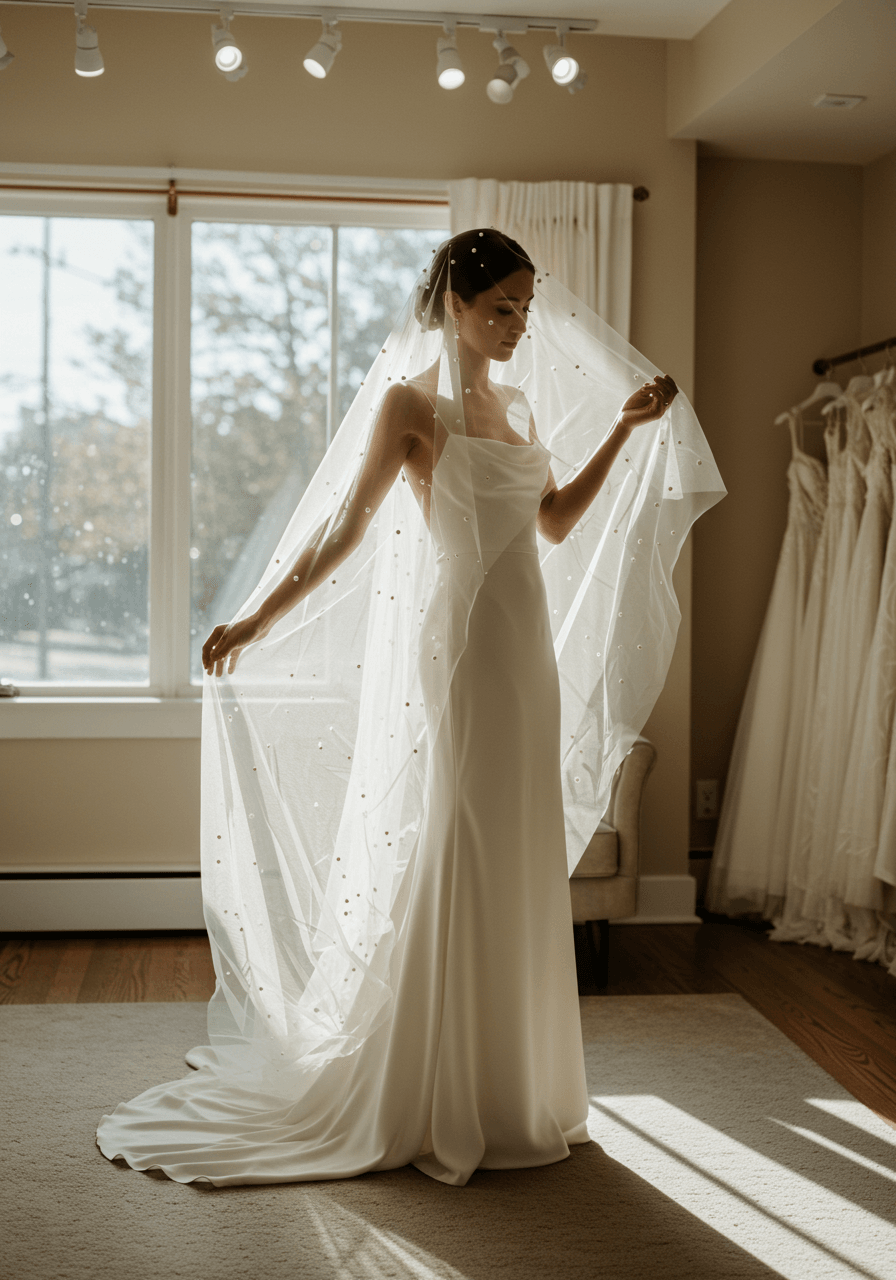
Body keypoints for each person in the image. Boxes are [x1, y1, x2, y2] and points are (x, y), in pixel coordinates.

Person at [96, 230, 722, 1187]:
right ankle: (435, 1080)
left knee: (514, 847)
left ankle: (512, 1083)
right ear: (453, 305)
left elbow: (553, 523)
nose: (517, 324)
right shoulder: (410, 405)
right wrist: (256, 617)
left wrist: (624, 431)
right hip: (464, 650)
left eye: (525, 307)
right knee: (462, 840)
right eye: (500, 307)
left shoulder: (516, 406)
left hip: (525, 654)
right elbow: (342, 532)